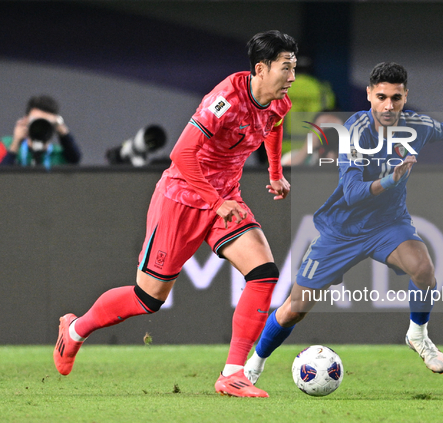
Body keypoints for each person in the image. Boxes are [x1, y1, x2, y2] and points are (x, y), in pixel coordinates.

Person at [244, 62, 443, 385]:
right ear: (368, 94)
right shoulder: (354, 131)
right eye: (381, 96)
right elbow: (354, 193)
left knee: (423, 269)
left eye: (396, 98)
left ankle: (418, 335)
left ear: (405, 96)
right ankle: (254, 364)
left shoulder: (417, 126)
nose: (389, 105)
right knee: (294, 308)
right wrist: (390, 180)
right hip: (343, 229)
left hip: (388, 225)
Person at [53, 30, 298, 398]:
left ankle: (233, 374)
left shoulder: (280, 102)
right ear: (261, 69)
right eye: (286, 68)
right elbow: (181, 155)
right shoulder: (224, 101)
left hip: (224, 198)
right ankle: (74, 330)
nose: (292, 77)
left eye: (294, 67)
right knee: (147, 298)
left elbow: (273, 127)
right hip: (182, 197)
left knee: (264, 274)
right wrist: (215, 202)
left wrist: (275, 173)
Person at [1, 95, 82, 167]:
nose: (40, 126)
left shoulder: (57, 154)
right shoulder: (5, 145)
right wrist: (15, 144)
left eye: (46, 122)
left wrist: (62, 130)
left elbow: (75, 159)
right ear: (25, 120)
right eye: (35, 121)